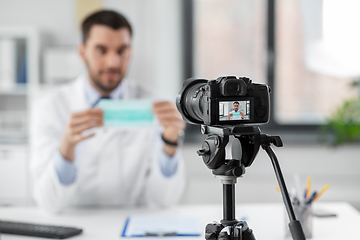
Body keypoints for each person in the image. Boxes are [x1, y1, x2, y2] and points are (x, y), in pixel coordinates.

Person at [30, 10, 186, 213]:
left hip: (134, 225)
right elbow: (49, 203)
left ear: (130, 52)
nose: (113, 62)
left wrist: (170, 145)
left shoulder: (158, 106)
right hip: (76, 225)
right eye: (101, 50)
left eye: (122, 51)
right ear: (82, 52)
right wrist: (66, 149)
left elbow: (164, 201)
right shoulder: (49, 107)